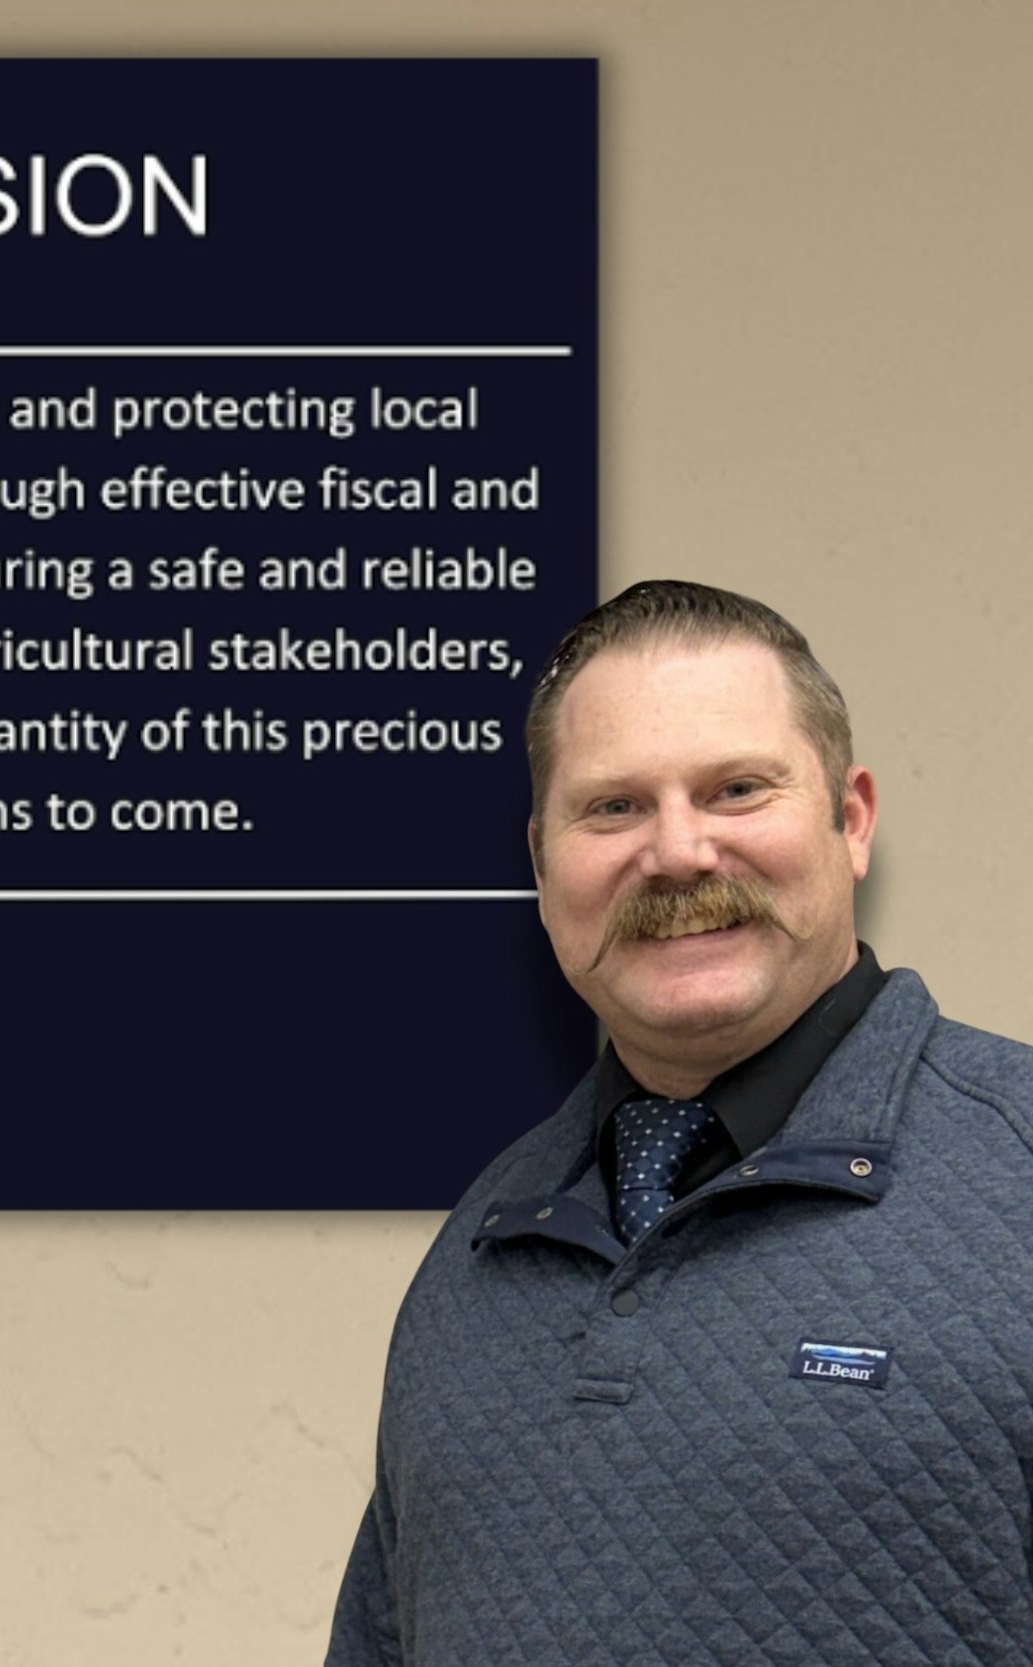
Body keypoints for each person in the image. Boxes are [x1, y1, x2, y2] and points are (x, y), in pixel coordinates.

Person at [326, 581, 1033, 1667]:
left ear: (849, 819)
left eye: (736, 789)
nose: (677, 851)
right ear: (541, 863)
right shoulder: (479, 1250)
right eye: (613, 807)